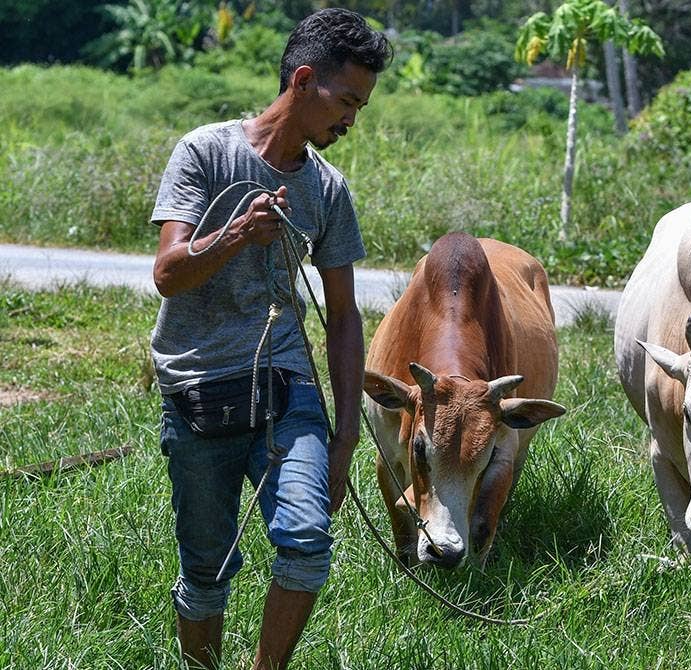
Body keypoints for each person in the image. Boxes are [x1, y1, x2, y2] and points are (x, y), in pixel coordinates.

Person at [149, 9, 392, 669]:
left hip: (285, 387)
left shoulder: (329, 190)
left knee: (307, 539)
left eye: (360, 107)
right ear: (304, 80)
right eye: (345, 102)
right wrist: (233, 235)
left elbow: (343, 316)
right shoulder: (205, 152)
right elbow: (168, 276)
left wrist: (345, 437)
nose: (351, 121)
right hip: (199, 387)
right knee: (206, 572)